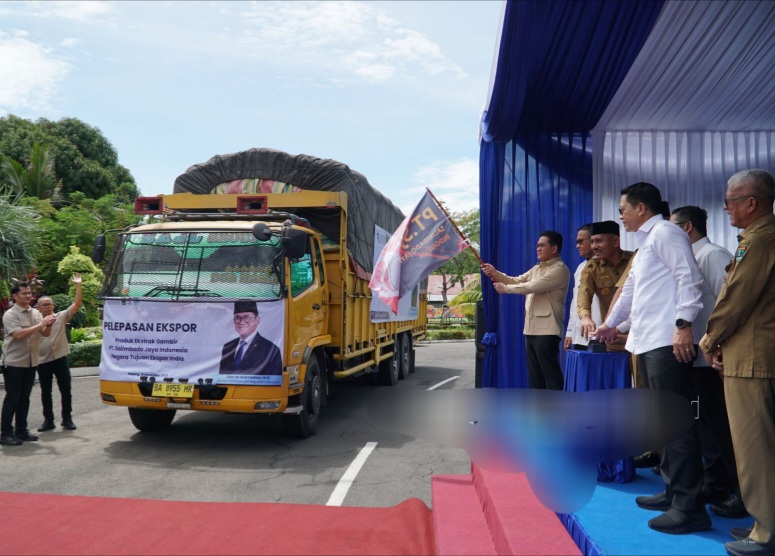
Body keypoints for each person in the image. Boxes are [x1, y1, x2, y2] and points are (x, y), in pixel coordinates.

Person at [594, 182, 707, 535]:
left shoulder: (666, 233)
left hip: (666, 341)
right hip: (645, 342)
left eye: (623, 210)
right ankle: (674, 493)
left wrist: (683, 324)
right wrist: (610, 325)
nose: (621, 217)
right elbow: (631, 293)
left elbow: (689, 277)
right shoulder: (645, 244)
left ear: (641, 208)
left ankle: (690, 508)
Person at [699, 169, 775, 556]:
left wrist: (710, 339)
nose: (726, 207)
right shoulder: (762, 238)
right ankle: (766, 520)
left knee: (755, 448)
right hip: (755, 353)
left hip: (752, 360)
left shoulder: (758, 242)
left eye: (730, 200)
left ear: (751, 203)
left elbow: (736, 299)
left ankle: (766, 532)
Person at [671, 206, 746, 519]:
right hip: (697, 358)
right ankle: (717, 482)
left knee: (727, 428)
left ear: (687, 228)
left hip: (715, 357)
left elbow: (727, 304)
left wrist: (717, 346)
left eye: (673, 230)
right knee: (707, 427)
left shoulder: (712, 255)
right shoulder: (689, 260)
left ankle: (742, 492)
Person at [482, 231, 570, 390]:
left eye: (542, 245)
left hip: (547, 331)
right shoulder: (537, 268)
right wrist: (495, 273)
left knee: (550, 374)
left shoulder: (559, 270)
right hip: (531, 329)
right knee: (535, 375)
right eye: (537, 245)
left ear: (554, 248)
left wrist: (506, 289)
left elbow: (531, 286)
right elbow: (516, 280)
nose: (538, 248)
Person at [1, 282, 56, 446]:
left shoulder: (35, 313)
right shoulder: (10, 314)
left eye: (29, 293)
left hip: (31, 362)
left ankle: (21, 430)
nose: (28, 296)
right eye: (24, 293)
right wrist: (42, 324)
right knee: (13, 398)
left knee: (24, 398)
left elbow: (44, 333)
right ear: (15, 296)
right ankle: (5, 433)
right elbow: (18, 335)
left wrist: (49, 324)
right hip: (14, 363)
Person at [36, 273, 83, 433]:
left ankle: (67, 419)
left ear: (54, 306)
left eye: (49, 304)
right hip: (42, 362)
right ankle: (48, 420)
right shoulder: (35, 322)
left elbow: (76, 304)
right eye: (44, 305)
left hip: (60, 359)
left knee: (65, 390)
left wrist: (78, 285)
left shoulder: (60, 317)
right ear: (38, 308)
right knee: (45, 392)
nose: (47, 307)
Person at [578, 220, 634, 343]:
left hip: (636, 336)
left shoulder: (634, 260)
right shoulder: (592, 267)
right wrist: (585, 317)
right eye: (592, 242)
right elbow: (583, 294)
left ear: (615, 241)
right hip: (610, 338)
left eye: (599, 241)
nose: (594, 247)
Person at [219, 301, 282, 376]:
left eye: (246, 318)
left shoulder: (270, 349)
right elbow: (222, 378)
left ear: (257, 320)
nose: (241, 322)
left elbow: (274, 382)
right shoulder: (228, 347)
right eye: (237, 318)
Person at [564, 224, 601, 351]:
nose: (577, 246)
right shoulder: (580, 268)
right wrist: (570, 331)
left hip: (598, 332)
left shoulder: (604, 266)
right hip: (579, 333)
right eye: (576, 242)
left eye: (580, 242)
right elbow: (576, 302)